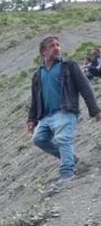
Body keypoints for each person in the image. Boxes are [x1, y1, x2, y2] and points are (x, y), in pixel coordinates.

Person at [27, 35, 101, 184]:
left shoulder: (69, 65)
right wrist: (32, 119)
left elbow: (85, 87)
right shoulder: (37, 74)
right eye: (52, 46)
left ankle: (67, 173)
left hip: (65, 110)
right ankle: (71, 158)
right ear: (43, 52)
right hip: (46, 116)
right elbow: (35, 99)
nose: (56, 48)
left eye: (57, 45)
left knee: (62, 138)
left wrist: (95, 110)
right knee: (38, 139)